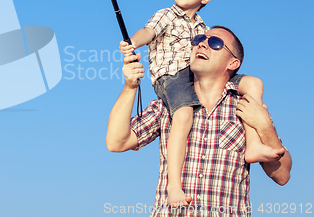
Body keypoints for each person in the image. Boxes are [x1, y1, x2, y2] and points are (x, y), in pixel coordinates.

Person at [119, 0, 282, 206]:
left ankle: (254, 145)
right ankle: (174, 186)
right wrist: (132, 43)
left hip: (190, 76)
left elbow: (283, 175)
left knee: (254, 83)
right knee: (183, 115)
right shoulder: (166, 15)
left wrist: (263, 123)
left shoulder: (203, 28)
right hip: (172, 77)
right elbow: (148, 32)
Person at [108, 26, 292, 216]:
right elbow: (116, 141)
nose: (202, 44)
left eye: (215, 43)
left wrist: (265, 125)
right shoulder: (169, 104)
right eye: (198, 40)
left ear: (233, 63)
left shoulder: (247, 109)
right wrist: (130, 86)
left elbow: (282, 175)